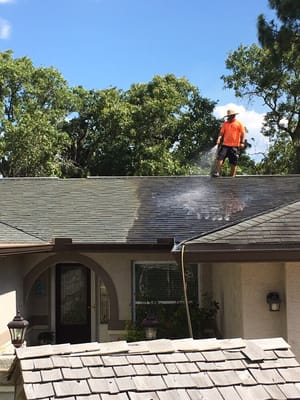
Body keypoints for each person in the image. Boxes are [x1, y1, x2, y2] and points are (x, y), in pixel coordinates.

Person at [212, 109, 245, 177]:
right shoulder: (225, 124)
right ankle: (217, 172)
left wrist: (242, 142)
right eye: (228, 116)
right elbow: (221, 133)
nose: (229, 118)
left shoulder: (239, 124)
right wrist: (219, 139)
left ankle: (232, 176)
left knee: (233, 161)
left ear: (233, 116)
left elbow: (243, 133)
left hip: (234, 146)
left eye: (230, 116)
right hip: (225, 145)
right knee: (220, 157)